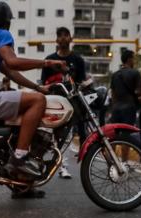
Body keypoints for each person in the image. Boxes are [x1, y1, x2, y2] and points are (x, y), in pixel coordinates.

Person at [0, 2, 66, 183]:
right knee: (38, 101)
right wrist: (47, 63)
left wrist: (37, 87)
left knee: (35, 96)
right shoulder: (2, 34)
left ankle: (22, 182)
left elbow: (9, 71)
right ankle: (19, 158)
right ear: (7, 21)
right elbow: (13, 62)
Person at [40, 26, 86, 180]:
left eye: (66, 35)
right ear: (56, 40)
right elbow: (43, 82)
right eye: (60, 35)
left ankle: (63, 166)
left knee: (67, 136)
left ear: (71, 39)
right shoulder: (50, 58)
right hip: (53, 103)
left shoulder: (78, 60)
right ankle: (41, 163)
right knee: (49, 135)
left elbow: (81, 82)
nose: (63, 38)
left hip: (71, 103)